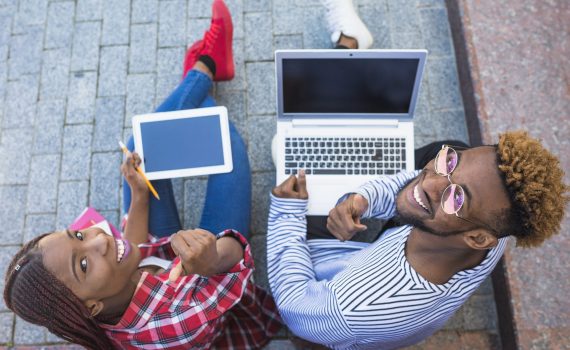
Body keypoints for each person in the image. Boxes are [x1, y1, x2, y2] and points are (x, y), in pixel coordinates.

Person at [4, 1, 281, 349]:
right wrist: (210, 260)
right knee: (219, 134)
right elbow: (236, 259)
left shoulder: (108, 295)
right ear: (91, 307)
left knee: (143, 145)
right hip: (209, 271)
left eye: (77, 234)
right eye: (84, 263)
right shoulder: (172, 323)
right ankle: (203, 70)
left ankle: (204, 70)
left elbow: (135, 247)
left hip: (164, 253)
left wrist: (138, 195)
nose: (100, 238)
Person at [267, 129, 568, 349]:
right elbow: (414, 184)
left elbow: (294, 306)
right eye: (451, 162)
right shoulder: (493, 233)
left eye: (457, 197)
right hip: (398, 255)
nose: (431, 180)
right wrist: (363, 199)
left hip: (332, 297)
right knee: (440, 160)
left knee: (300, 201)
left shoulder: (352, 305)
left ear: (478, 238)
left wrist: (285, 211)